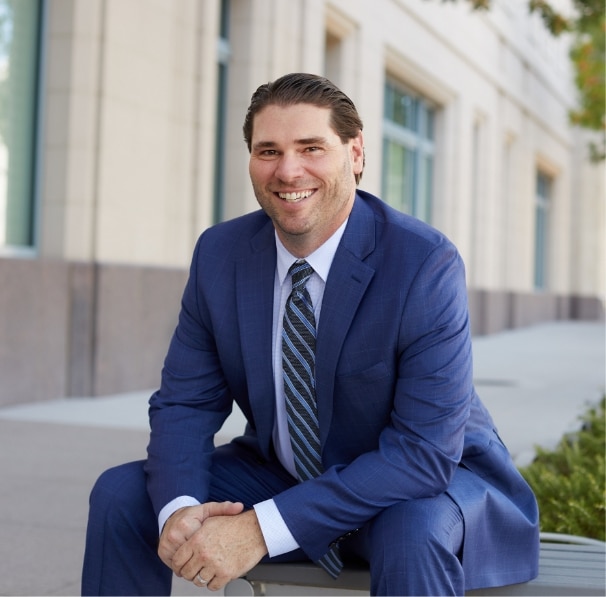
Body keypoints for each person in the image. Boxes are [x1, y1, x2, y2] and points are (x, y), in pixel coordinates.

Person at [82, 72, 539, 596]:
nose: (287, 169)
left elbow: (422, 455)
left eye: (311, 147)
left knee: (412, 532)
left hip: (426, 486)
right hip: (284, 473)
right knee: (124, 495)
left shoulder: (422, 263)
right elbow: (185, 403)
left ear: (356, 153)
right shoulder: (221, 255)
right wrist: (182, 511)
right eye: (268, 150)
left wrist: (259, 529)